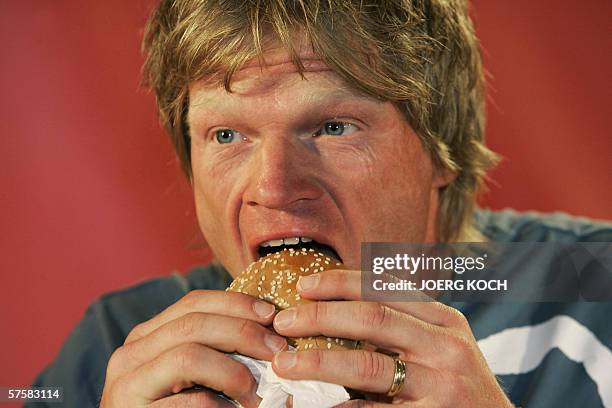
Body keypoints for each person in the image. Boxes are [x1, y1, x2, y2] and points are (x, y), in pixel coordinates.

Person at [31, 0, 612, 407]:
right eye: (227, 135)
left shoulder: (592, 286)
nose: (275, 188)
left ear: (442, 150)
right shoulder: (117, 342)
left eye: (333, 126)